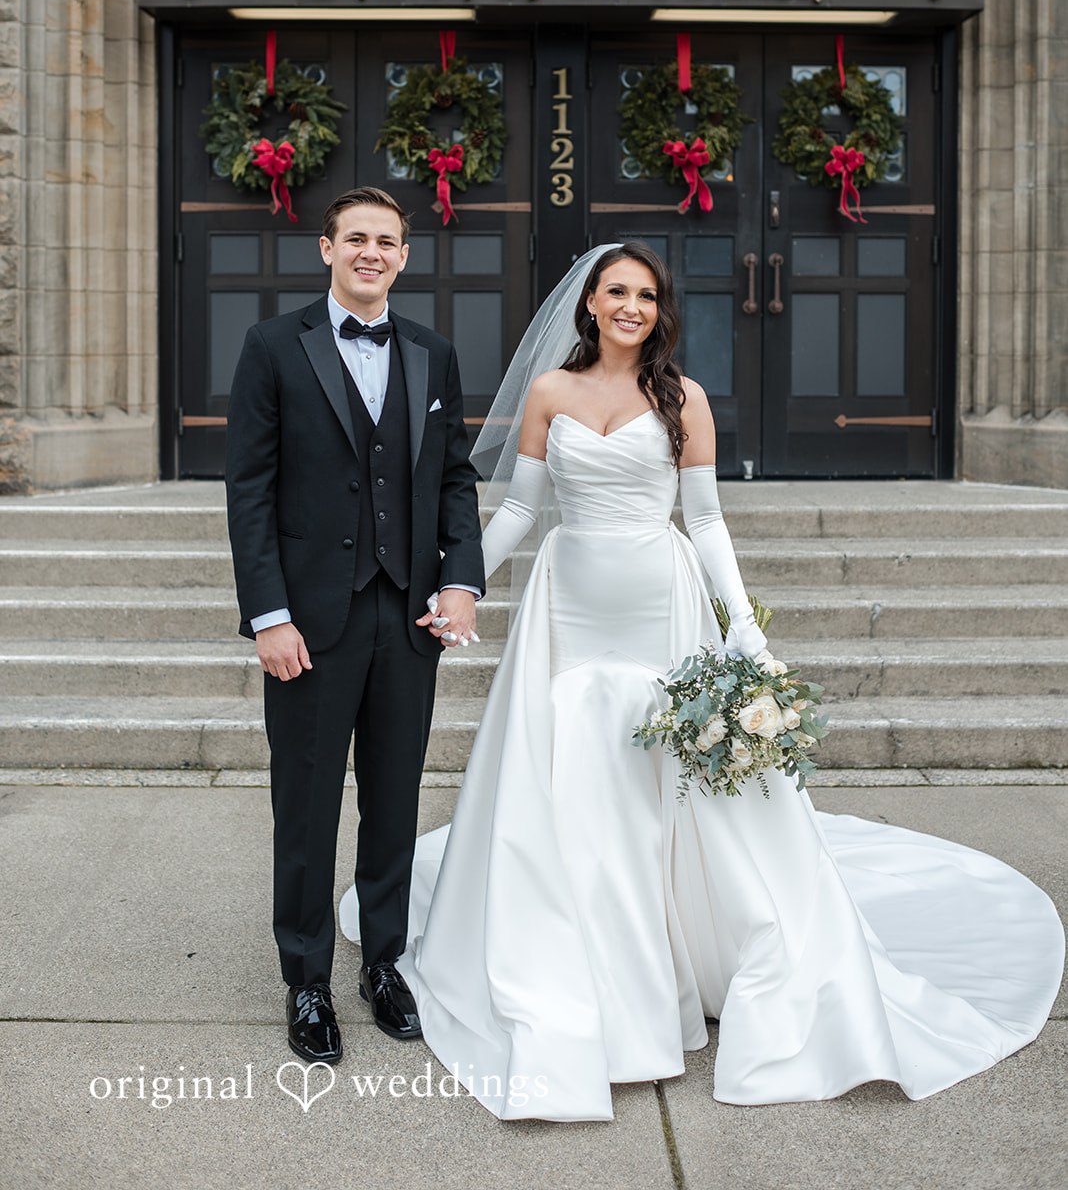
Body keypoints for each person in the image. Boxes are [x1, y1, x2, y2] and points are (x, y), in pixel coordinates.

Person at [339, 240, 1065, 1121]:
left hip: (661, 609)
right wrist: (460, 590)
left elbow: (708, 524)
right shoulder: (550, 394)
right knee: (573, 779)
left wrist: (745, 631)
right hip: (570, 610)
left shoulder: (681, 399)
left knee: (670, 789)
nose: (631, 307)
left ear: (659, 309)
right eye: (617, 292)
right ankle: (590, 964)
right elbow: (524, 508)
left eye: (646, 295)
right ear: (590, 305)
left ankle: (689, 950)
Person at [225, 187, 484, 1064]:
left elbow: (453, 480)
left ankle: (383, 964)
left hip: (406, 615)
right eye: (357, 239)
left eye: (388, 241)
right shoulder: (271, 347)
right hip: (307, 619)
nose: (372, 253)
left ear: (404, 257)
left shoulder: (431, 352)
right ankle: (305, 979)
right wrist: (268, 615)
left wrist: (463, 584)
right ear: (326, 248)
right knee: (304, 803)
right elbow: (250, 492)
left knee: (394, 798)